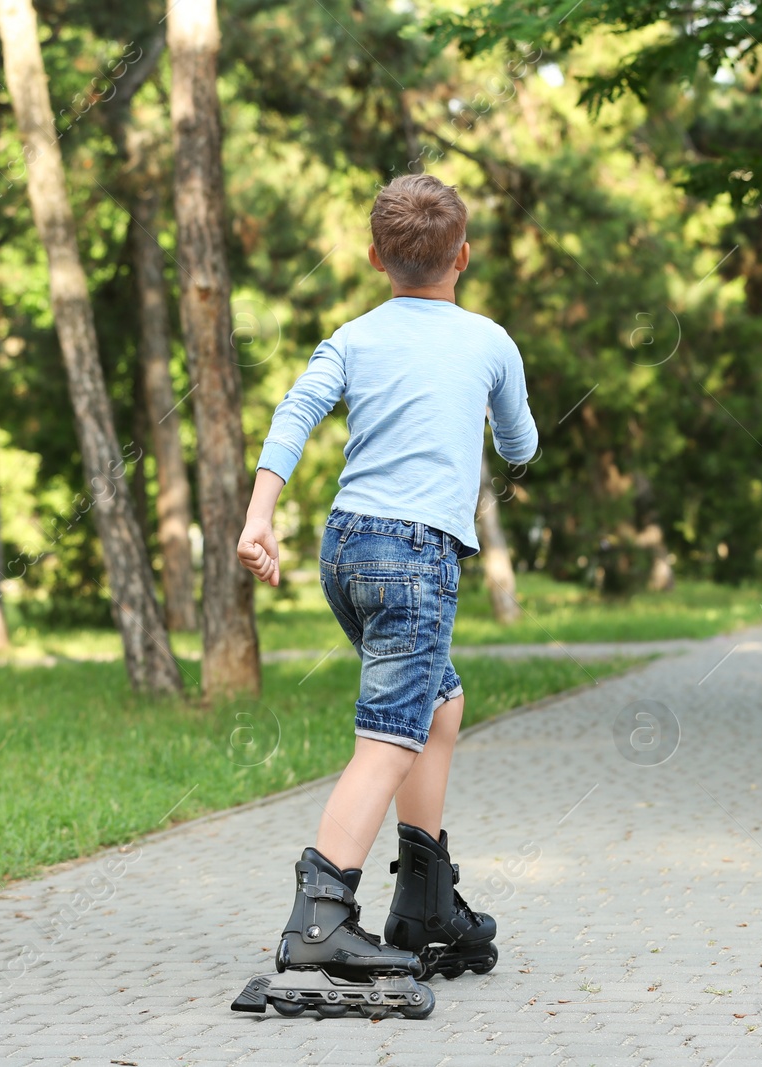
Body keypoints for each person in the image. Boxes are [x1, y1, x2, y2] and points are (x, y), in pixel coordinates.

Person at [229, 173, 539, 1020]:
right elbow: (520, 444)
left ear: (376, 258)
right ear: (463, 257)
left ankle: (426, 904)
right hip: (414, 556)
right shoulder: (490, 341)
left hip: (346, 547)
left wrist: (260, 516)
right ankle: (320, 918)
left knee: (440, 705)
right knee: (390, 736)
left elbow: (293, 415)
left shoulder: (353, 336)